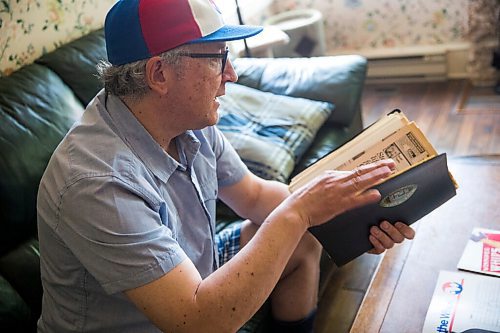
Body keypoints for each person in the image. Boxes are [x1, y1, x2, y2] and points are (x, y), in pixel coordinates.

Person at [36, 0, 415, 332]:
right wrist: (298, 213)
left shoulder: (184, 122)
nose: (231, 74)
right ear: (159, 74)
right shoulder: (96, 183)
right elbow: (198, 323)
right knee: (293, 225)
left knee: (302, 238)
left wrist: (356, 216)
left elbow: (254, 196)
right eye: (219, 58)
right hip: (163, 319)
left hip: (192, 272)